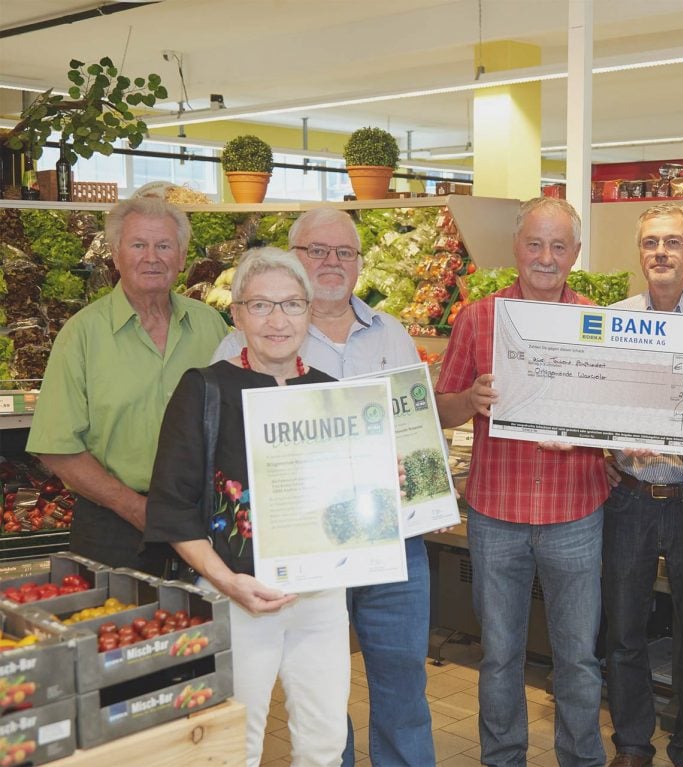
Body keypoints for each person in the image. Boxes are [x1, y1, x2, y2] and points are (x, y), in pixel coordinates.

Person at [211, 208, 432, 766]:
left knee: (401, 681)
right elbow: (224, 462)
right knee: (323, 698)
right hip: (301, 550)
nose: (332, 262)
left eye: (345, 253)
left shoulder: (394, 333)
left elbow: (412, 426)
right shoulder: (239, 350)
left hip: (389, 542)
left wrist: (423, 494)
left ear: (358, 263)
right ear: (295, 258)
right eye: (317, 251)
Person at [146, 247, 348, 767]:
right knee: (236, 742)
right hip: (237, 594)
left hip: (321, 598)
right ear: (236, 315)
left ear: (309, 312)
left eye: (291, 305)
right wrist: (227, 582)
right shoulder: (204, 389)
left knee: (324, 740)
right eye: (260, 306)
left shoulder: (330, 392)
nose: (278, 321)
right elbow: (171, 508)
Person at [435, 197, 609, 767]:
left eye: (559, 246)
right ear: (516, 247)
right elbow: (441, 410)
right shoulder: (478, 318)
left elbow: (617, 415)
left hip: (575, 512)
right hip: (496, 513)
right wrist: (470, 399)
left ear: (576, 254)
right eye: (535, 243)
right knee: (501, 654)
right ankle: (502, 758)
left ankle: (580, 759)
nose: (545, 257)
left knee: (578, 659)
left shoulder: (596, 322)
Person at [27, 196, 228, 574]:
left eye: (164, 245)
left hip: (203, 520)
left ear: (182, 257)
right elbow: (57, 448)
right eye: (138, 245)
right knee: (117, 627)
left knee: (207, 630)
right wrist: (134, 507)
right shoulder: (82, 335)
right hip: (113, 527)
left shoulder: (211, 326)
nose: (152, 256)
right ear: (116, 256)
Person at [604, 203, 683, 767]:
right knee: (624, 632)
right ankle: (633, 745)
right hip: (632, 496)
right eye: (650, 243)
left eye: (671, 242)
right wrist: (607, 446)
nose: (660, 252)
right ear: (639, 252)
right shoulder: (615, 320)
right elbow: (594, 401)